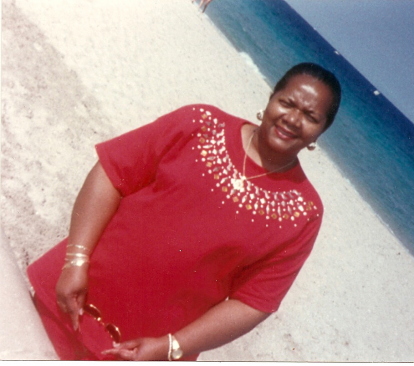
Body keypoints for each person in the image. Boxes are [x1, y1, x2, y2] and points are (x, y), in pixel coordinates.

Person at [27, 62, 341, 361]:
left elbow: (253, 303)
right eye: (287, 103)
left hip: (145, 351)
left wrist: (171, 347)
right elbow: (112, 173)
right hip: (70, 297)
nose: (292, 119)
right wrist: (76, 261)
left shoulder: (304, 213)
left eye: (311, 117)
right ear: (271, 98)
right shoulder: (199, 123)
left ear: (321, 132)